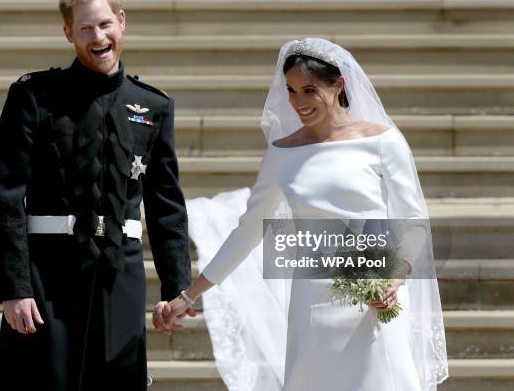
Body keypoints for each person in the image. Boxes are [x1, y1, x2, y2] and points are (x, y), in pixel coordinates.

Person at [154, 38, 448, 391]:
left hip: (375, 296)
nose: (299, 102)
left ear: (338, 85)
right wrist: (190, 295)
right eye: (292, 91)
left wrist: (395, 280)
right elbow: (247, 232)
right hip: (313, 300)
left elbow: (413, 224)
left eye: (309, 90)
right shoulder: (283, 153)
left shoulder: (383, 141)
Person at [0, 0, 191, 391]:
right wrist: (14, 288)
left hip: (121, 274)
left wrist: (176, 288)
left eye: (104, 25)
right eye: (85, 28)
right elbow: (6, 198)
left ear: (121, 21)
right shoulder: (35, 97)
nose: (97, 37)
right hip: (48, 275)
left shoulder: (153, 106)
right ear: (68, 33)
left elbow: (166, 204)